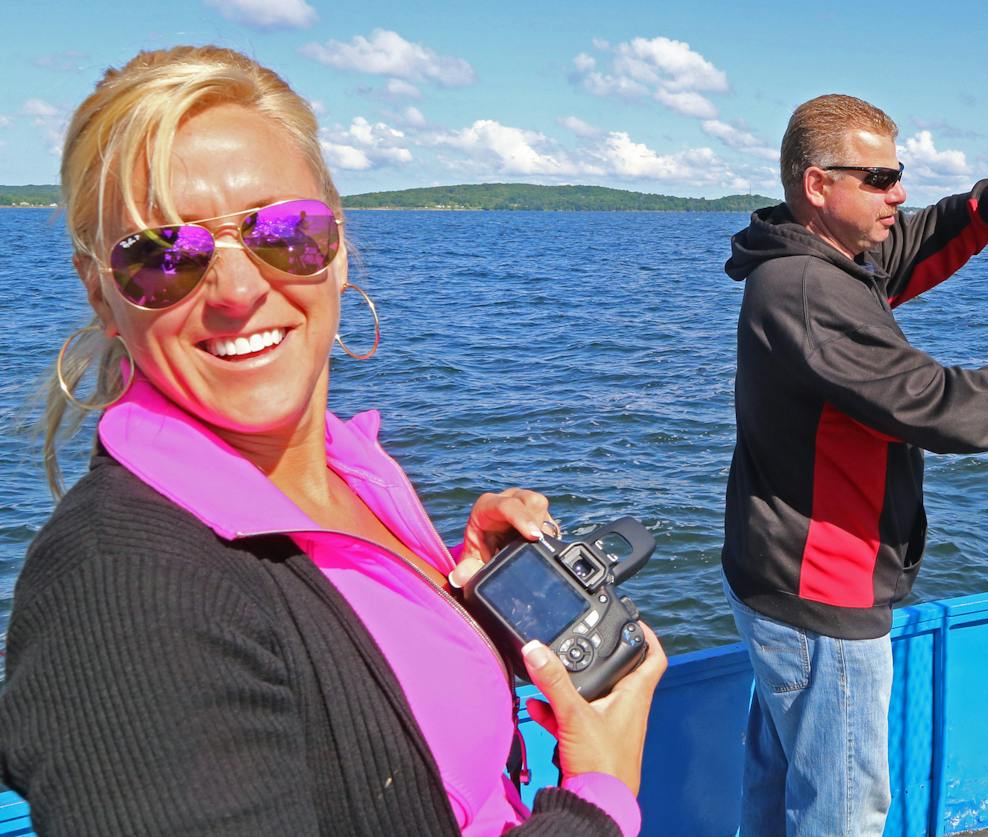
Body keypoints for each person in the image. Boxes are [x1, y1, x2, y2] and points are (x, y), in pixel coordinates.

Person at [0, 46, 666, 836]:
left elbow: (344, 683)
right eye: (164, 256)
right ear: (102, 293)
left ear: (339, 247)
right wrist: (597, 799)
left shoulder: (347, 468)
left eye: (283, 231)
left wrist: (454, 600)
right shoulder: (123, 594)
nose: (240, 291)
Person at [720, 93, 988, 835]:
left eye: (899, 173)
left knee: (779, 788)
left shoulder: (814, 256)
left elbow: (901, 249)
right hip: (823, 596)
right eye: (879, 179)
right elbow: (948, 409)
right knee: (842, 811)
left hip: (775, 578)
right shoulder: (812, 293)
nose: (898, 192)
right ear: (818, 186)